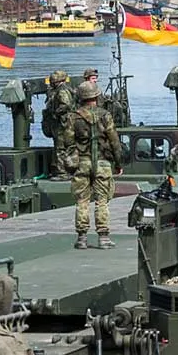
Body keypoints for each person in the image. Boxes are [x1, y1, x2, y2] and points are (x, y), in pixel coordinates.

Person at [68, 81, 122, 249]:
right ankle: (103, 237)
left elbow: (67, 142)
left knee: (82, 201)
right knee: (102, 201)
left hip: (82, 164)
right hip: (102, 163)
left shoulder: (73, 117)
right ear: (97, 96)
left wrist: (70, 163)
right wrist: (118, 164)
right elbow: (114, 142)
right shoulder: (105, 115)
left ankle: (82, 237)